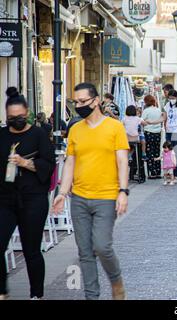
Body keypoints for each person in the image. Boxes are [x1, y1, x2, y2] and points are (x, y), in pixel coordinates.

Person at [52, 82, 129, 300]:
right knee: (85, 252)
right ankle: (92, 297)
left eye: (83, 101)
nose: (79, 106)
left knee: (102, 246)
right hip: (79, 198)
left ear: (96, 101)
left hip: (106, 196)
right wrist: (62, 192)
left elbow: (122, 161)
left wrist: (123, 191)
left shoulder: (115, 127)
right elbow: (70, 163)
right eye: (76, 102)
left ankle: (116, 281)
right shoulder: (75, 129)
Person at [0, 87, 56, 300]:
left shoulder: (39, 135)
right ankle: (2, 290)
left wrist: (25, 163)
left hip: (33, 198)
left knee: (31, 249)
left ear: (27, 114)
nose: (17, 121)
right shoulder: (2, 136)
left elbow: (48, 165)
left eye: (21, 117)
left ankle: (36, 294)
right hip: (5, 198)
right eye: (12, 118)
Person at [142, 95, 164, 179]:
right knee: (156, 151)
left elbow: (142, 121)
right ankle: (158, 171)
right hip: (157, 132)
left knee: (149, 152)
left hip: (149, 132)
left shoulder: (146, 111)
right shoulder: (158, 110)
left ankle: (152, 172)